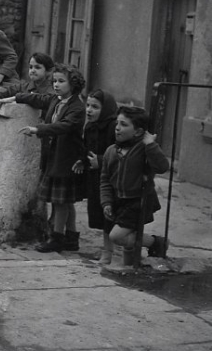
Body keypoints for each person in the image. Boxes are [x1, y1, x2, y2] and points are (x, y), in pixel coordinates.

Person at [13, 64, 86, 252]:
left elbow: (64, 126)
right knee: (65, 202)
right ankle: (71, 237)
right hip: (54, 157)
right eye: (54, 81)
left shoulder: (77, 107)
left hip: (66, 159)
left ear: (74, 84)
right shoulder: (56, 99)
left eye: (61, 81)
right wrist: (15, 98)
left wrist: (38, 129)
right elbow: (37, 98)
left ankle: (57, 237)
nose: (56, 84)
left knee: (60, 202)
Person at [100, 106, 170, 266]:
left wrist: (150, 145)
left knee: (117, 236)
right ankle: (129, 265)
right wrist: (107, 202)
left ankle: (155, 242)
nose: (117, 127)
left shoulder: (143, 149)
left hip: (138, 201)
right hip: (119, 201)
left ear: (138, 132)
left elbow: (162, 166)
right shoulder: (111, 151)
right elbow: (105, 180)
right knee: (128, 235)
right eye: (117, 123)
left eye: (124, 124)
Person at [72, 90, 118, 264]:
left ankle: (109, 251)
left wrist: (99, 161)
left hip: (111, 178)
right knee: (99, 212)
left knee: (109, 213)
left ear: (105, 109)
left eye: (95, 107)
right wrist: (83, 161)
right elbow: (88, 147)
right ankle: (110, 247)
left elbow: (118, 153)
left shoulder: (113, 127)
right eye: (88, 106)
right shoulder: (91, 126)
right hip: (96, 176)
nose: (89, 110)